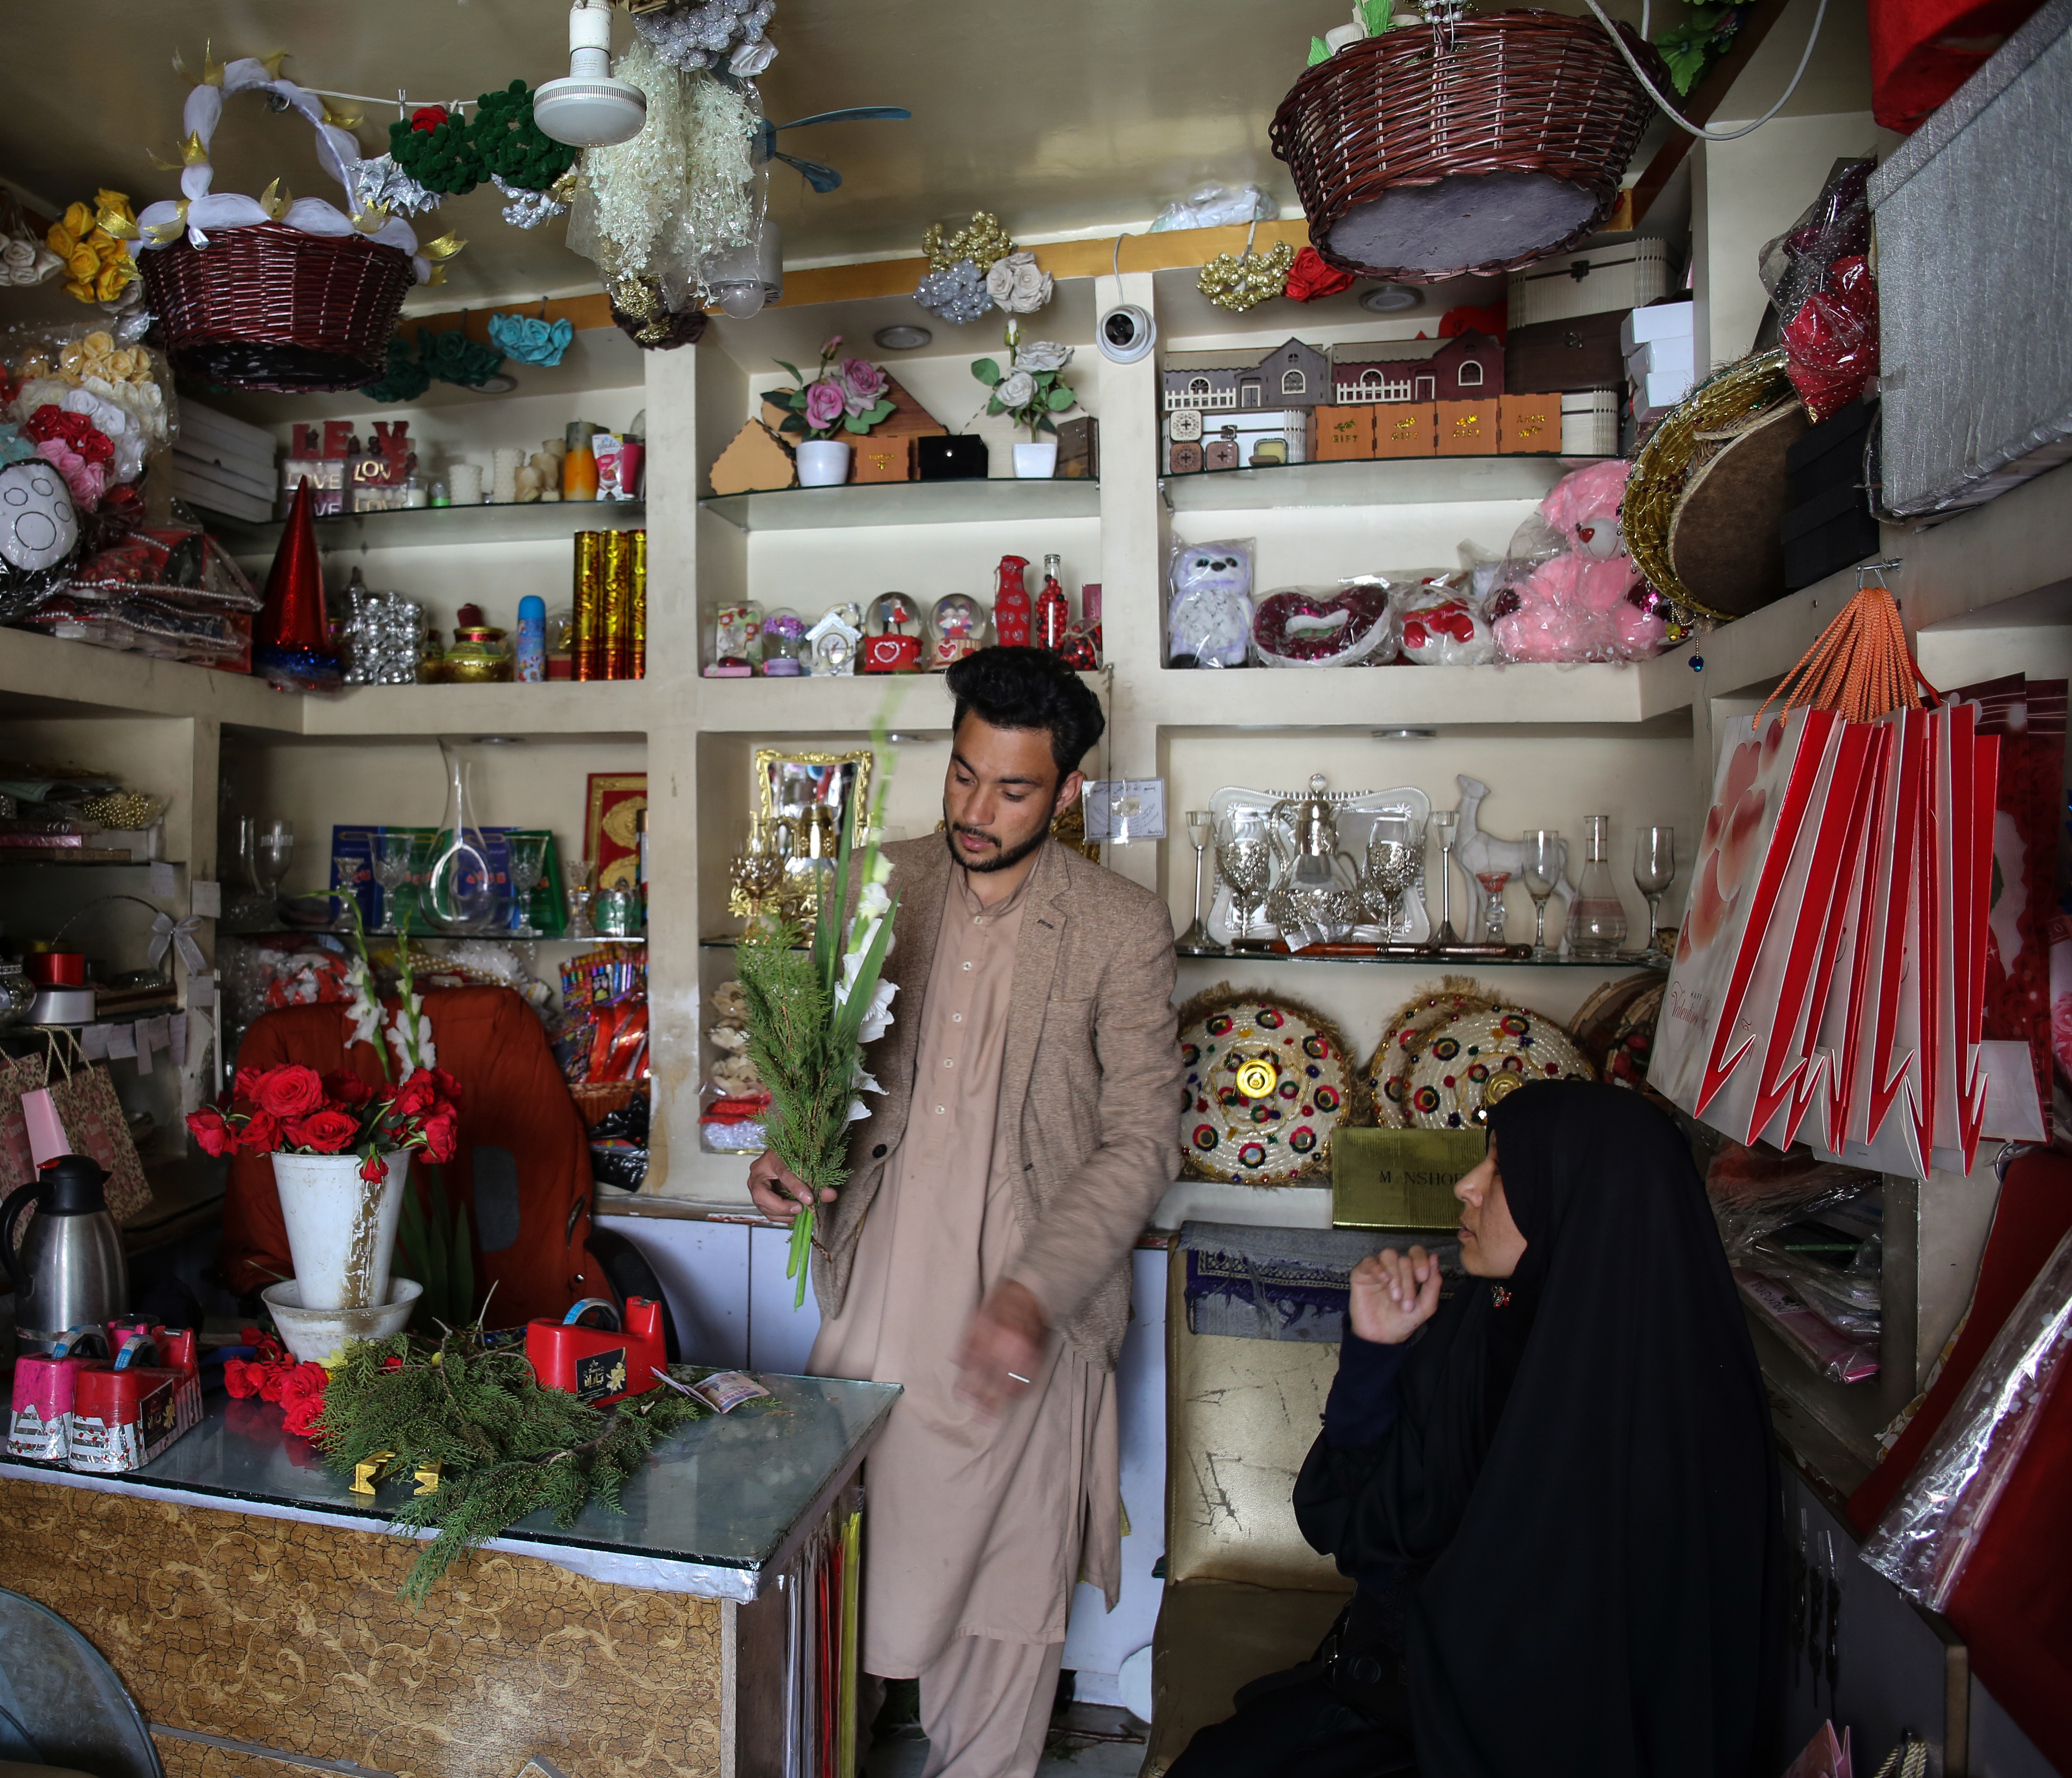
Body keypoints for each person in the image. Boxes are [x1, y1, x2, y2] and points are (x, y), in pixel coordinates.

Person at [748, 646, 1183, 1778]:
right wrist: (784, 1154)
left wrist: (1032, 1296)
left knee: (1001, 1599)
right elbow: (816, 1074)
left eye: (1013, 790)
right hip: (881, 1287)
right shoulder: (874, 886)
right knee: (838, 1578)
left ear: (1069, 791)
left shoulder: (1119, 926)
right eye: (962, 775)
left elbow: (1143, 1138)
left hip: (1030, 1304)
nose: (976, 812)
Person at [1174, 1080, 1781, 1778]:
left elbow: (1610, 1675)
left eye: (1503, 1170)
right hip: (1398, 1695)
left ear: (1577, 1205)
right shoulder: (1485, 1327)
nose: (1467, 1186)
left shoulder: (1667, 1408)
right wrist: (1373, 1357)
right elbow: (1364, 1529)